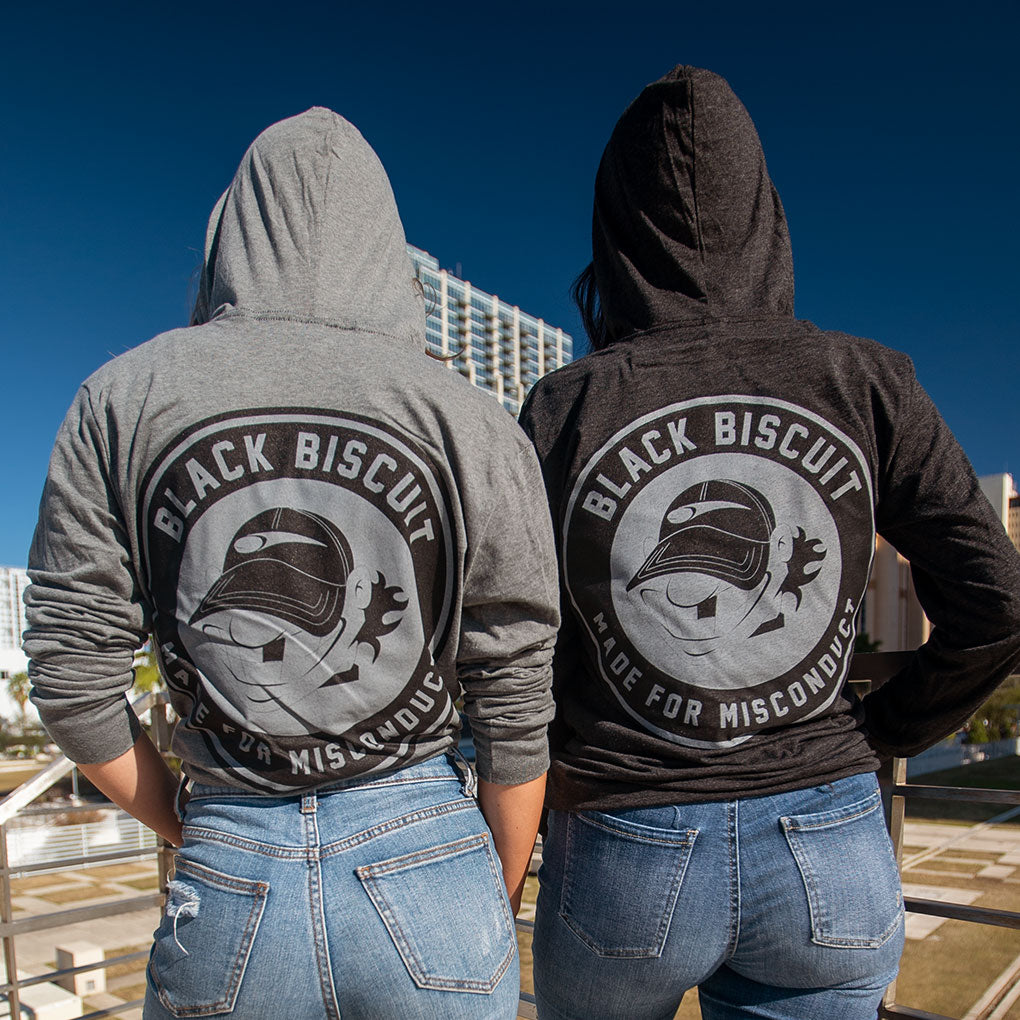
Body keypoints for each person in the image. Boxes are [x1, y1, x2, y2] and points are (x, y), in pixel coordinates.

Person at [24, 107, 558, 1019]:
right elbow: (515, 695)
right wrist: (483, 890)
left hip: (230, 857)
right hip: (429, 849)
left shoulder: (121, 397)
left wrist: (199, 827)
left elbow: (74, 683)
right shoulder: (473, 419)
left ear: (228, 236)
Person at [519, 66, 1020, 1020]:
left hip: (625, 843)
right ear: (767, 216)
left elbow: (508, 640)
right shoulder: (866, 381)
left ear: (614, 228)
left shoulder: (562, 409)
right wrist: (879, 731)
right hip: (826, 837)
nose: (691, 604)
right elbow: (998, 600)